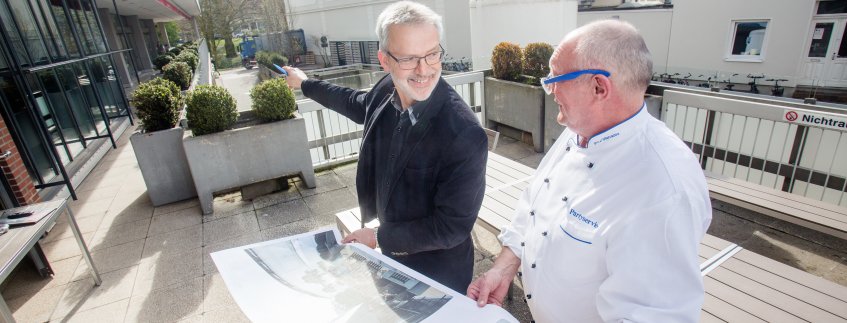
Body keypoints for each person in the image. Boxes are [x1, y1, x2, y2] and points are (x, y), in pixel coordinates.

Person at [467, 20, 712, 322]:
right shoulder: (579, 130)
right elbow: (533, 205)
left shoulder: (663, 186)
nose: (550, 89)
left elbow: (654, 315)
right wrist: (503, 269)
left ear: (599, 86)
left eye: (557, 78)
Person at [282, 1, 487, 293]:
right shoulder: (386, 89)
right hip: (391, 263)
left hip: (438, 276)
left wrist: (378, 236)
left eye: (432, 55)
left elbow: (450, 228)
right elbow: (354, 102)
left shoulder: (464, 133)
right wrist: (305, 84)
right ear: (384, 60)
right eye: (408, 59)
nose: (423, 70)